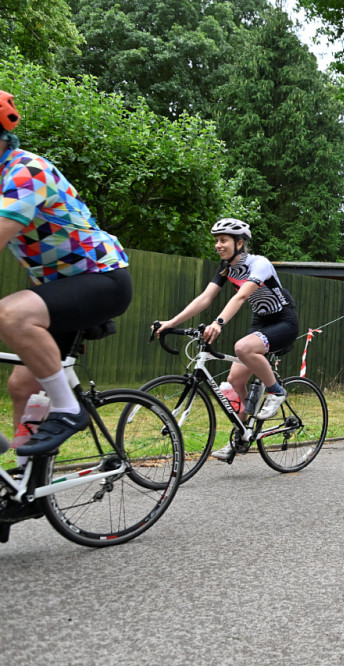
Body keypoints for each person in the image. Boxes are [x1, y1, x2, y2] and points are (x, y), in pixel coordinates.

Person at [0, 90, 132, 459]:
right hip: (58, 289)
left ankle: (68, 408)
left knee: (10, 315)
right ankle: (25, 478)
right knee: (22, 385)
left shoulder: (25, 171)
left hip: (103, 279)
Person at [155, 218, 298, 462]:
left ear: (239, 243)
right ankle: (241, 436)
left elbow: (241, 296)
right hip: (261, 322)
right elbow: (205, 298)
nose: (218, 245)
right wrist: (171, 322)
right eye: (217, 241)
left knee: (243, 347)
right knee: (234, 381)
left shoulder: (259, 264)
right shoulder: (226, 268)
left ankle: (276, 391)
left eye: (224, 240)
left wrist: (218, 323)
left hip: (283, 321)